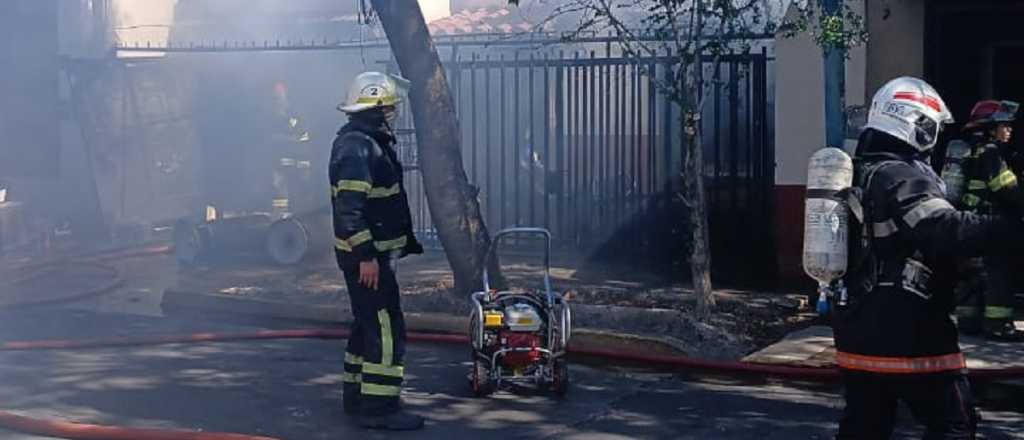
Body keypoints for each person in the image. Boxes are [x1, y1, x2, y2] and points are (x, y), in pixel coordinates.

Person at [835, 77, 1024, 439]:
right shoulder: (901, 175)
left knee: (865, 426)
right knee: (953, 425)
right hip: (910, 330)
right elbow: (942, 227)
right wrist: (1009, 231)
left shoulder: (861, 171)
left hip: (857, 329)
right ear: (917, 125)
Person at [330, 71, 424, 430]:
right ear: (376, 107)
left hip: (373, 255)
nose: (392, 113)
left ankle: (357, 396)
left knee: (366, 324)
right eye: (388, 107)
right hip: (368, 259)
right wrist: (366, 255)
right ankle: (381, 407)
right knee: (386, 328)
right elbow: (349, 209)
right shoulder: (359, 147)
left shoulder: (363, 141)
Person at [954, 99, 1024, 340]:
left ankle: (969, 320)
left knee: (973, 272)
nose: (1009, 130)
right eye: (1004, 125)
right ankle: (998, 324)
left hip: (969, 222)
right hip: (992, 223)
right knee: (999, 272)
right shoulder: (992, 153)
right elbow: (1004, 187)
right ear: (989, 128)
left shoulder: (969, 151)